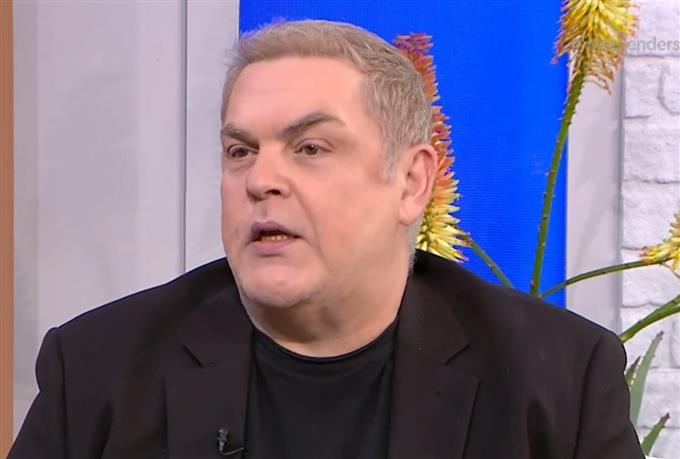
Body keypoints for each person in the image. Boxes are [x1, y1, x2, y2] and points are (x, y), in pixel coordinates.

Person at [9, 19, 644, 459]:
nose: (261, 179)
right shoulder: (98, 368)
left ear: (411, 183)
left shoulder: (556, 380)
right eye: (240, 151)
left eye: (310, 148)